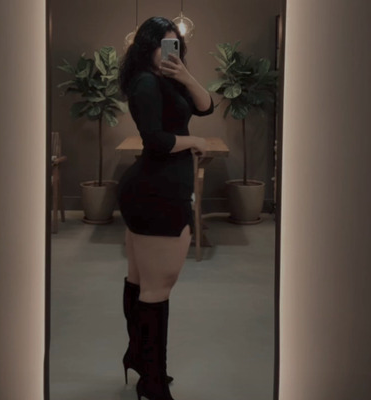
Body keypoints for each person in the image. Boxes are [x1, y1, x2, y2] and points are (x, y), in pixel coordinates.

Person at [117, 16, 213, 400]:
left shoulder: (169, 80)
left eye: (174, 44)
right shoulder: (145, 82)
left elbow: (206, 106)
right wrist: (194, 142)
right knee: (158, 287)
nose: (168, 51)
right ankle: (152, 382)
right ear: (146, 46)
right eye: (161, 44)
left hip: (154, 190)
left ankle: (140, 359)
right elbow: (156, 140)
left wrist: (186, 75)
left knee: (141, 280)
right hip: (156, 194)